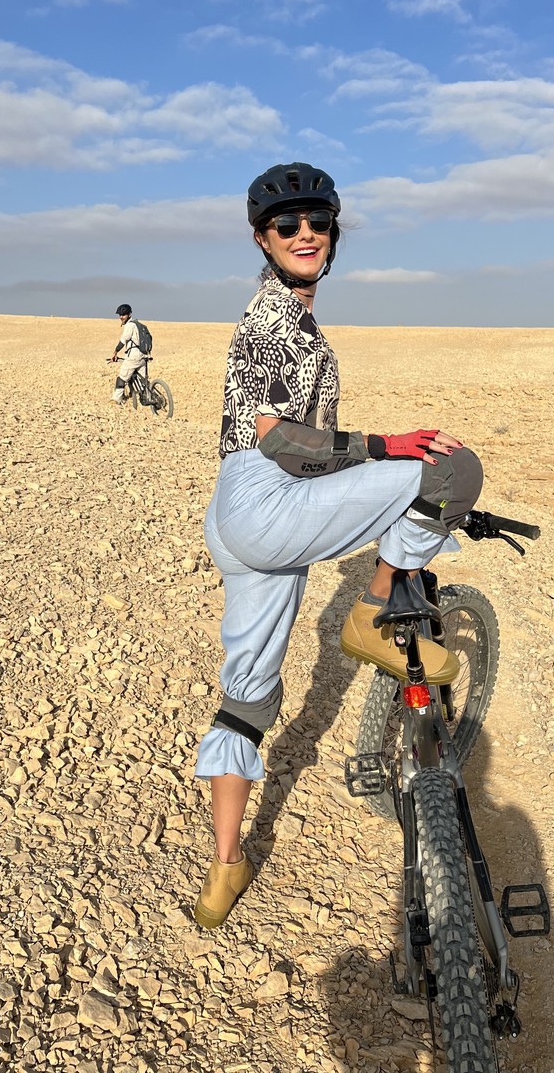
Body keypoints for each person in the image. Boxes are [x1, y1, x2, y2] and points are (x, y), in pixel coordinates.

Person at [193, 163, 484, 929]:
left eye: (317, 222)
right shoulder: (269, 321)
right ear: (262, 238)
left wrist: (365, 455)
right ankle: (375, 609)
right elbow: (279, 438)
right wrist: (386, 446)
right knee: (449, 467)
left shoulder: (295, 322)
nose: (305, 235)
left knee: (247, 695)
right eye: (287, 226)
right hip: (266, 495)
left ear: (332, 234)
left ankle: (225, 867)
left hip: (240, 517)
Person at [109, 304, 147, 406]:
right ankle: (147, 397)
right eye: (120, 315)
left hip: (134, 356)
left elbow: (123, 340)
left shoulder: (130, 326)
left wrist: (115, 352)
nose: (121, 317)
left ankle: (116, 399)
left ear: (129, 314)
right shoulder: (138, 324)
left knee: (121, 378)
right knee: (143, 381)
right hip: (143, 355)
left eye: (124, 314)